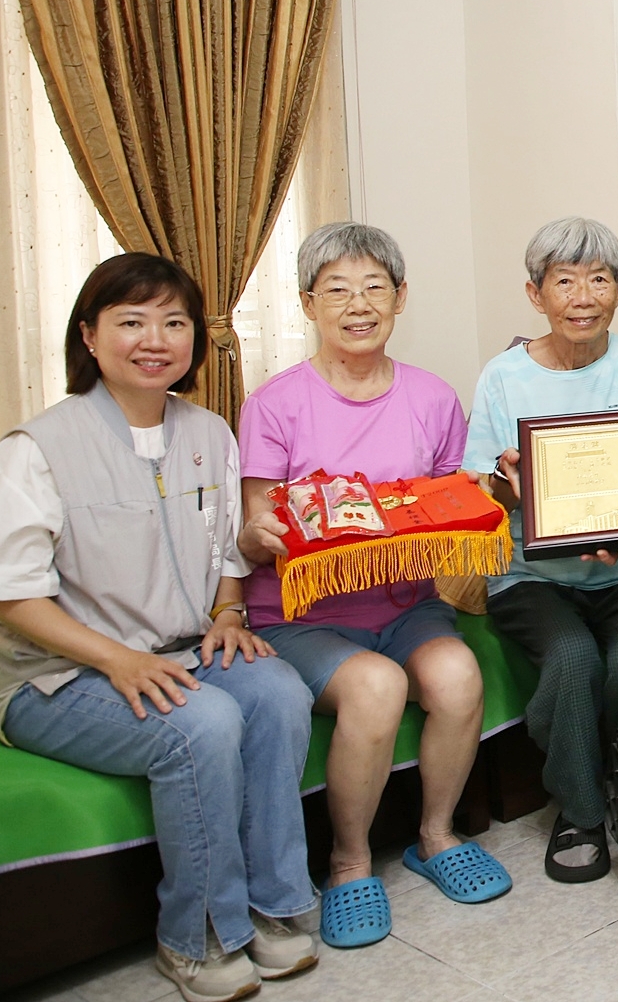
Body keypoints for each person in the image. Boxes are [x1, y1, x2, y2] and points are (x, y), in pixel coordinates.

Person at [0, 254, 317, 1002]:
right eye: (131, 321)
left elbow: (227, 548)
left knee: (279, 693)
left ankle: (274, 902)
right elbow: (5, 593)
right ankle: (197, 936)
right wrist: (117, 659)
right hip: (55, 677)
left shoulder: (208, 434)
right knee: (200, 723)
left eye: (173, 321)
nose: (154, 339)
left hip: (183, 649)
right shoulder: (35, 449)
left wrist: (228, 610)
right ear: (89, 336)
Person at [236, 223, 507, 951]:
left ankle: (436, 835)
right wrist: (265, 534)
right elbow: (251, 530)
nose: (358, 305)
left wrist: (478, 500)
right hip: (301, 618)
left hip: (407, 605)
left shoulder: (432, 395)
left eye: (374, 288)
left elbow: (449, 501)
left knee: (457, 674)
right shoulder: (274, 403)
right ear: (307, 304)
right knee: (377, 686)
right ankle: (349, 862)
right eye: (337, 291)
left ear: (400, 297)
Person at [460, 217, 618, 883]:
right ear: (536, 294)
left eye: (598, 279)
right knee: (570, 656)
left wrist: (615, 529)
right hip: (532, 574)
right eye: (564, 281)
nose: (582, 297)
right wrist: (507, 482)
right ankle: (582, 809)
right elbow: (483, 491)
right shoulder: (502, 377)